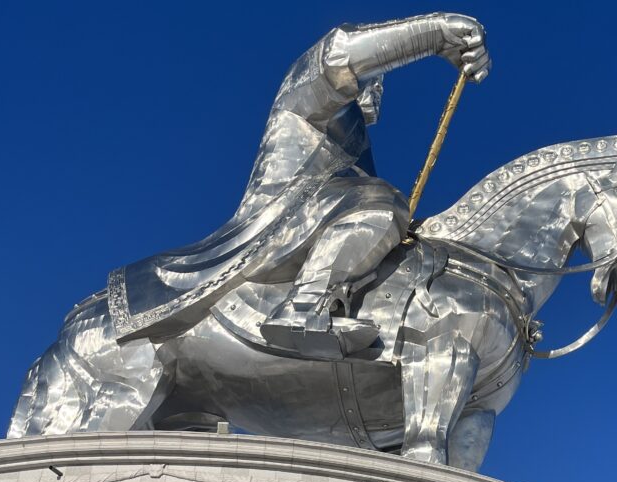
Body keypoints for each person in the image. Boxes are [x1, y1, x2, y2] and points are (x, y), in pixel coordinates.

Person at [107, 14, 490, 357]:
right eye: (372, 79)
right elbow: (337, 58)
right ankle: (304, 307)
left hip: (306, 230)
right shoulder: (303, 101)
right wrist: (434, 33)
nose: (375, 91)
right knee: (382, 201)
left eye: (378, 86)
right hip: (276, 228)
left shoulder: (355, 147)